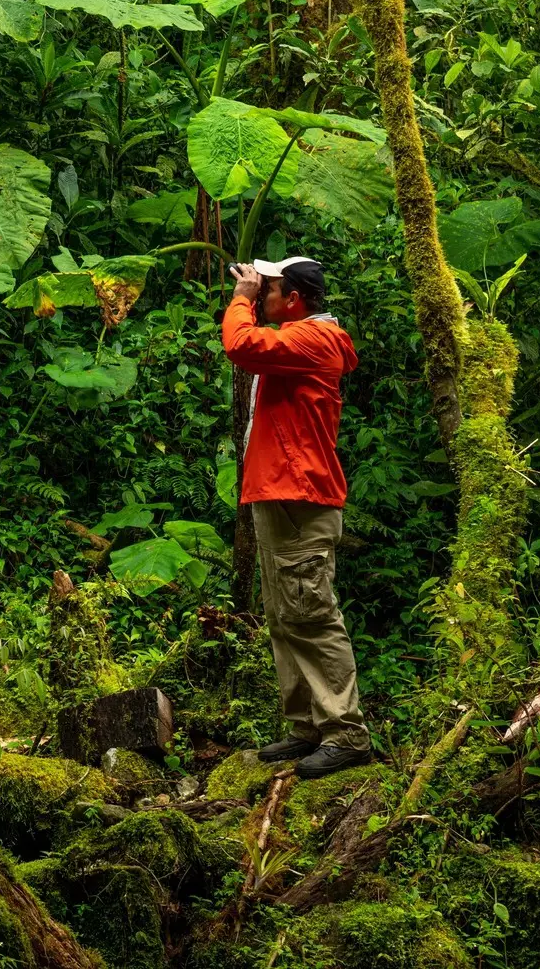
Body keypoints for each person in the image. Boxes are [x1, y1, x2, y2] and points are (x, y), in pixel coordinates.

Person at [222, 256, 373, 779]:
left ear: (296, 298)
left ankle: (346, 732)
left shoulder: (316, 339)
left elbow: (242, 344)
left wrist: (241, 296)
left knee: (310, 611)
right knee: (285, 613)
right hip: (280, 490)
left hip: (300, 493)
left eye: (271, 287)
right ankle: (308, 725)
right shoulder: (298, 338)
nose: (262, 293)